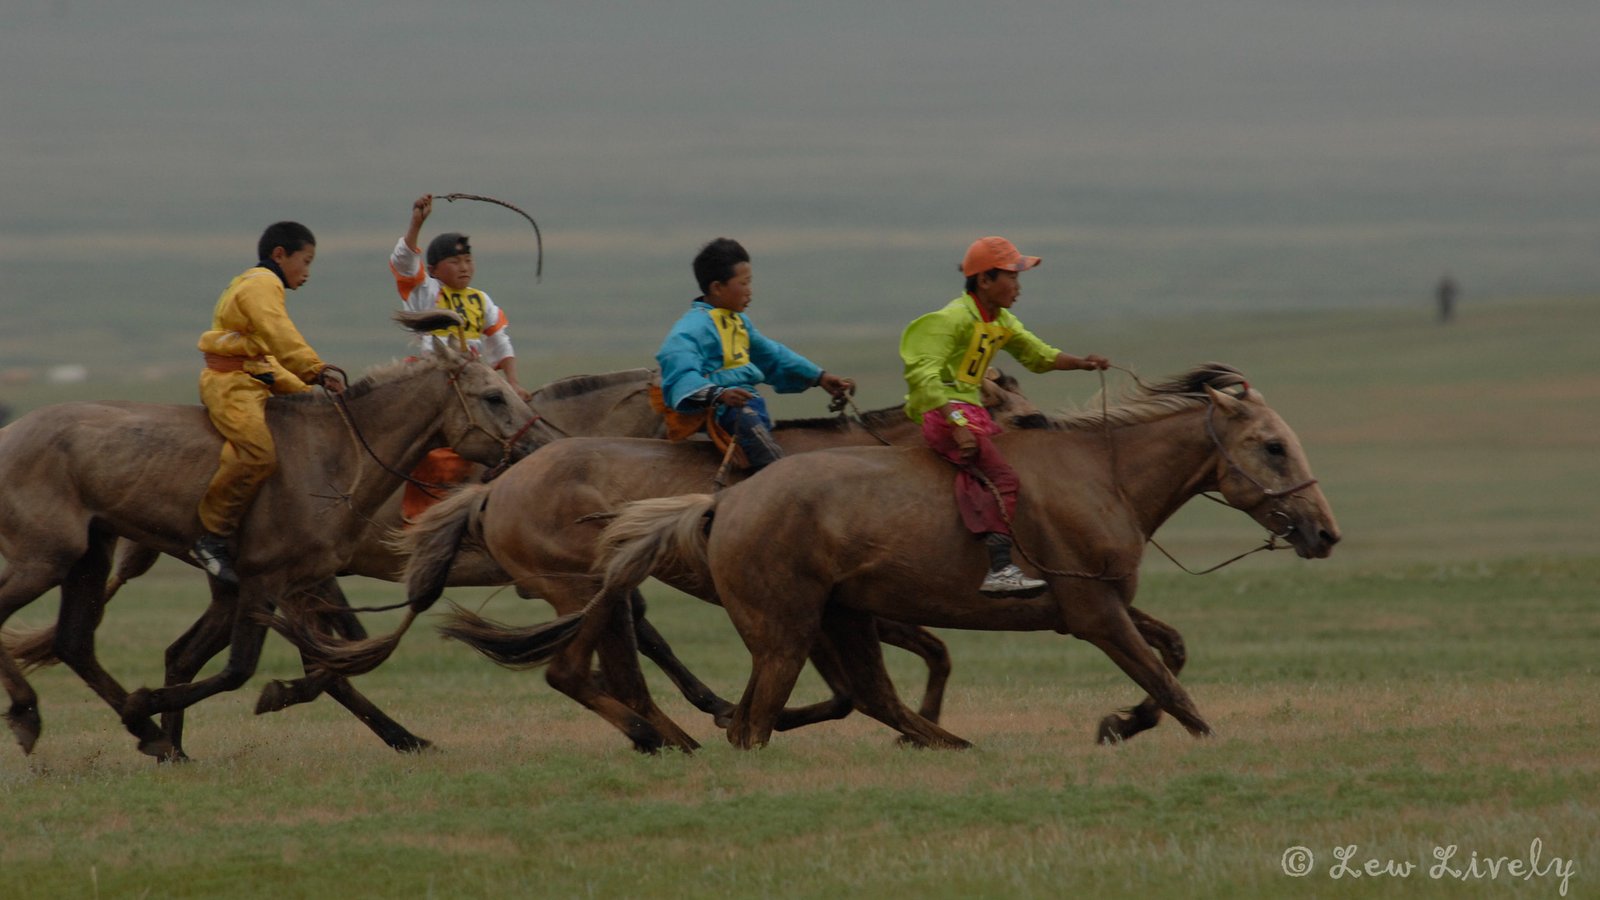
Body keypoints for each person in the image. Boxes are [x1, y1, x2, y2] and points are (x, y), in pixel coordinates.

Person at [900, 236, 1109, 597]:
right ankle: (999, 568)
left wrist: (1082, 363)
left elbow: (1038, 355)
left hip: (974, 412)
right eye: (1012, 278)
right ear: (984, 280)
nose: (1018, 288)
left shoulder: (1001, 320)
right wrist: (956, 424)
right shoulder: (951, 319)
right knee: (1003, 477)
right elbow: (923, 375)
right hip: (947, 413)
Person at [191, 221, 344, 583]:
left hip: (255, 373)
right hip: (231, 383)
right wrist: (315, 369)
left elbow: (267, 353)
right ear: (280, 255)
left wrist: (311, 387)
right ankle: (211, 537)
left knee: (310, 404)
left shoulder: (259, 283)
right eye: (305, 261)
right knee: (258, 453)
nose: (307, 272)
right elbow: (279, 333)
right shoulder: (263, 284)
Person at [656, 237, 854, 470]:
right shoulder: (692, 327)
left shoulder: (739, 322)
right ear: (717, 287)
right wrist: (719, 394)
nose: (750, 292)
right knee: (774, 467)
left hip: (748, 404)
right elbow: (678, 369)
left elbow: (773, 355)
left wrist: (819, 377)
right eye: (744, 283)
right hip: (725, 411)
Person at [391, 194, 532, 520]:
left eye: (468, 260)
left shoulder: (481, 300)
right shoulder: (425, 291)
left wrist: (513, 384)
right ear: (434, 269)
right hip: (432, 377)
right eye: (455, 262)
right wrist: (416, 224)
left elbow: (500, 344)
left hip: (473, 380)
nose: (464, 267)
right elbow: (403, 263)